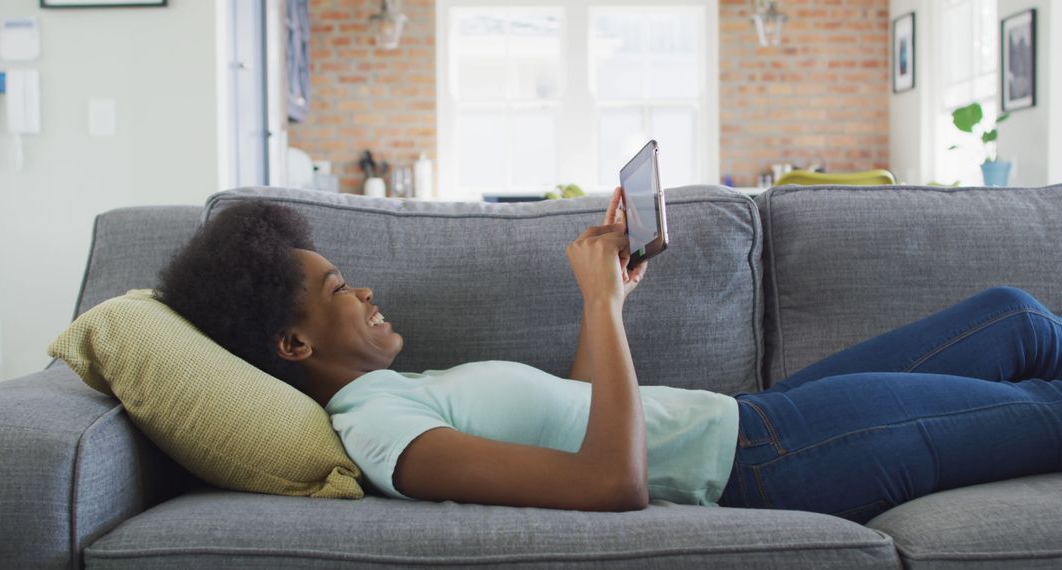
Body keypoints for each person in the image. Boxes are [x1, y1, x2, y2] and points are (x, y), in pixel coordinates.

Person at [156, 194, 1062, 523]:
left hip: (753, 417)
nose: (362, 291)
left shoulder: (403, 390)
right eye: (339, 286)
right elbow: (609, 485)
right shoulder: (376, 427)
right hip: (763, 464)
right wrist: (593, 299)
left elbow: (588, 416)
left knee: (1013, 316)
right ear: (292, 344)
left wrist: (612, 304)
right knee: (1044, 410)